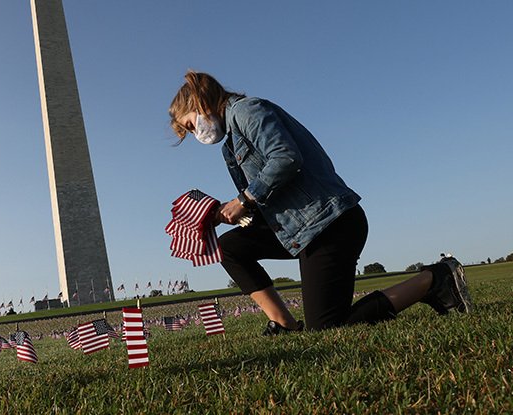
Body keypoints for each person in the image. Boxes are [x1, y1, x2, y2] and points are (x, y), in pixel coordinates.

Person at [167, 71, 472, 334]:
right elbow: (266, 199)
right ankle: (284, 324)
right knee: (231, 248)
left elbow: (285, 158)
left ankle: (435, 279)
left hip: (331, 224)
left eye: (191, 125)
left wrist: (245, 199)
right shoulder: (231, 143)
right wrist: (221, 213)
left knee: (327, 326)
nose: (196, 134)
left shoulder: (248, 111)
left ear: (200, 102)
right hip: (300, 230)